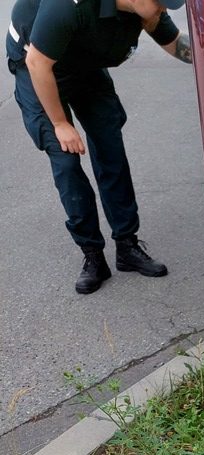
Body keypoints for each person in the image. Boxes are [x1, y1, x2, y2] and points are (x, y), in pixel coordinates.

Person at [6, 0, 193, 294]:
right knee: (66, 159)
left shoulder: (145, 11)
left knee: (110, 145)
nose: (164, 10)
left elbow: (177, 44)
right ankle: (92, 255)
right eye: (160, 3)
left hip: (83, 62)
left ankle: (127, 246)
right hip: (38, 65)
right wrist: (60, 124)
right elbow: (37, 64)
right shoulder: (70, 6)